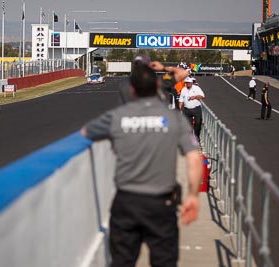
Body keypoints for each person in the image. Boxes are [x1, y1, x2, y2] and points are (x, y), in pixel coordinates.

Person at [81, 63, 203, 267]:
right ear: (156, 87)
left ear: (132, 90)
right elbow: (193, 157)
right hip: (161, 203)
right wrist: (192, 195)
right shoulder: (173, 118)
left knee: (122, 261)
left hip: (126, 201)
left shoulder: (117, 116)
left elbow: (86, 133)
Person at [179, 77, 205, 142]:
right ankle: (190, 139)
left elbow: (202, 96)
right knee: (187, 124)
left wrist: (195, 97)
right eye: (186, 83)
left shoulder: (197, 88)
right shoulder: (183, 90)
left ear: (192, 83)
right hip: (187, 110)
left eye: (189, 83)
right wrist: (179, 109)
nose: (188, 84)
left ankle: (197, 136)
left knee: (198, 123)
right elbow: (181, 100)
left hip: (196, 109)